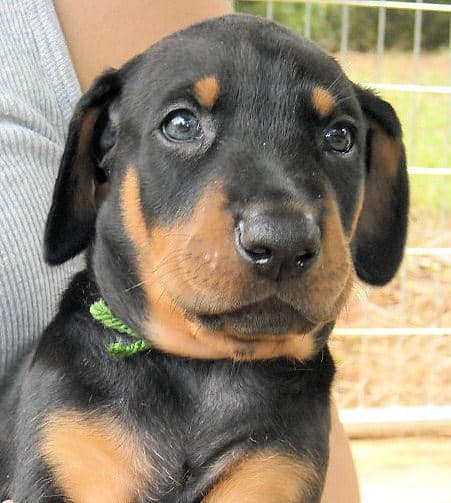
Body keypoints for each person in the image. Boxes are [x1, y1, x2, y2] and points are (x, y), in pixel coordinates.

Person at [0, 1, 360, 501]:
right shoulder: (66, 396)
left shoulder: (293, 421)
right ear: (102, 160)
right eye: (182, 125)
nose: (278, 234)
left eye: (337, 136)